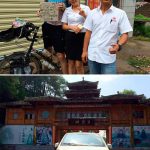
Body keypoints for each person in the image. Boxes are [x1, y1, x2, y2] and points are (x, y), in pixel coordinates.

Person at [82, 0, 133, 74]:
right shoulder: (92, 13)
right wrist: (84, 51)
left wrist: (119, 45)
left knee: (108, 81)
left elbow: (125, 34)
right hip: (92, 55)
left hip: (108, 57)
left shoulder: (120, 13)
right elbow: (88, 33)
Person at [38, 0, 69, 74]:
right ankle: (47, 70)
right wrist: (40, 11)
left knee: (60, 55)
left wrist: (64, 8)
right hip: (47, 25)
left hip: (59, 26)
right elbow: (42, 5)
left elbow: (72, 9)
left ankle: (66, 75)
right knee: (47, 50)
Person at [61, 0, 90, 74]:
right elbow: (63, 26)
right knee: (70, 63)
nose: (73, 0)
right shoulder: (67, 10)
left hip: (82, 37)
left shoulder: (86, 8)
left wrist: (84, 15)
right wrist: (72, 27)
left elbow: (92, 22)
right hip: (70, 37)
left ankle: (81, 82)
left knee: (78, 64)